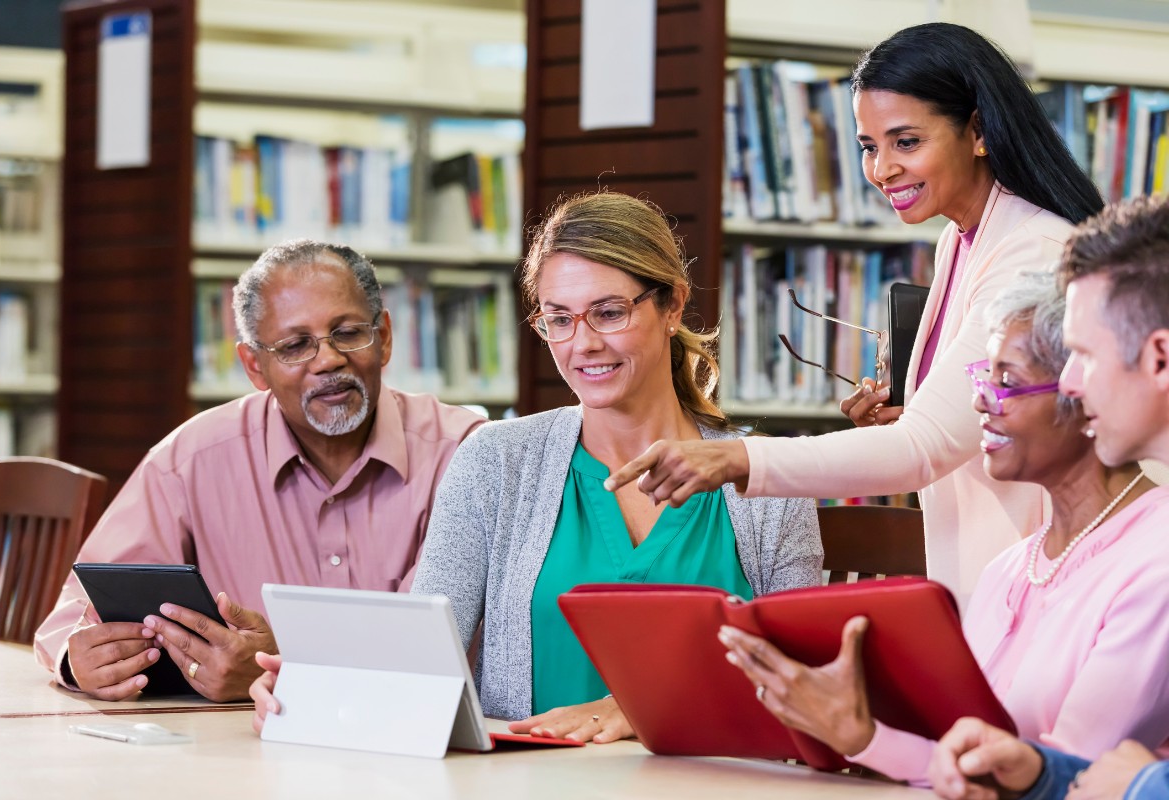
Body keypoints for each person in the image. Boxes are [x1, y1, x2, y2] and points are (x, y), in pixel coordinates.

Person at [250, 192, 823, 741]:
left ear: (672, 305)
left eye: (608, 312)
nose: (583, 344)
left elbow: (807, 684)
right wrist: (314, 687)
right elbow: (423, 657)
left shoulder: (768, 481)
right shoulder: (496, 463)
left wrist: (642, 706)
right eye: (560, 319)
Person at [606, 22, 1105, 603]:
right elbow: (968, 424)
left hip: (1042, 584)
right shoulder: (960, 238)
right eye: (870, 146)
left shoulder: (1033, 251)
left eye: (906, 142)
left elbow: (923, 449)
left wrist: (735, 457)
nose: (881, 169)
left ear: (978, 131)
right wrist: (912, 413)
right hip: (989, 575)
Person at [719, 270, 1169, 785]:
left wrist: (874, 742)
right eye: (982, 377)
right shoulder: (1012, 565)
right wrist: (860, 733)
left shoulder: (1156, 562)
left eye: (1006, 382)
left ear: (1085, 392)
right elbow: (967, 761)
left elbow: (1065, 780)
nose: (980, 400)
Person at [33, 239, 485, 702]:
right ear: (254, 365)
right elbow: (74, 614)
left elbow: (426, 654)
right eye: (295, 345)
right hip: (232, 743)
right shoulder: (189, 461)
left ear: (384, 337)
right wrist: (83, 660)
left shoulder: (468, 456)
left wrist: (282, 669)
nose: (328, 360)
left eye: (348, 333)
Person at [929, 197, 1169, 800]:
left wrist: (1143, 786)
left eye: (1084, 354)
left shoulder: (1155, 553)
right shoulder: (1011, 566)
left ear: (1159, 357)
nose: (1070, 383)